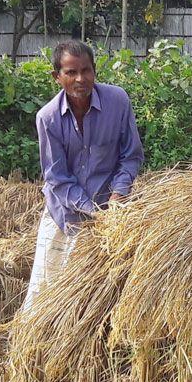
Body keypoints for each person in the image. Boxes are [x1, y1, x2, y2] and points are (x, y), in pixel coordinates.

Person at [20, 40, 144, 312]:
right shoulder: (48, 118)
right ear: (57, 77)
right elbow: (57, 178)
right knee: (45, 294)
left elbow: (131, 154)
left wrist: (119, 193)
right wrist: (92, 212)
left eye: (86, 70)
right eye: (71, 72)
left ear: (95, 71)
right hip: (65, 214)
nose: (80, 79)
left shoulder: (117, 101)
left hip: (113, 214)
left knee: (106, 294)